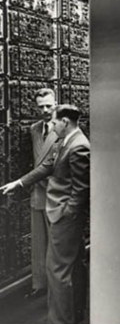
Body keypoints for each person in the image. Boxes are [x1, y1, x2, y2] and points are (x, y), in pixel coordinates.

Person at [1, 105, 90, 324]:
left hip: (64, 217)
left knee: (57, 269)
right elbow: (47, 166)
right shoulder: (66, 141)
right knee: (74, 266)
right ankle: (76, 315)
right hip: (63, 215)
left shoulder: (79, 146)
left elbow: (81, 189)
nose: (52, 126)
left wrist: (66, 215)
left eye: (55, 122)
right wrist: (19, 183)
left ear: (65, 122)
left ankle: (59, 322)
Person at [26, 88, 59, 299]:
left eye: (49, 105)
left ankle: (58, 290)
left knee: (57, 245)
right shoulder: (34, 129)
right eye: (41, 107)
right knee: (38, 243)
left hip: (56, 194)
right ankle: (39, 286)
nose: (45, 110)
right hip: (38, 193)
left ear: (56, 103)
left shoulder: (65, 128)